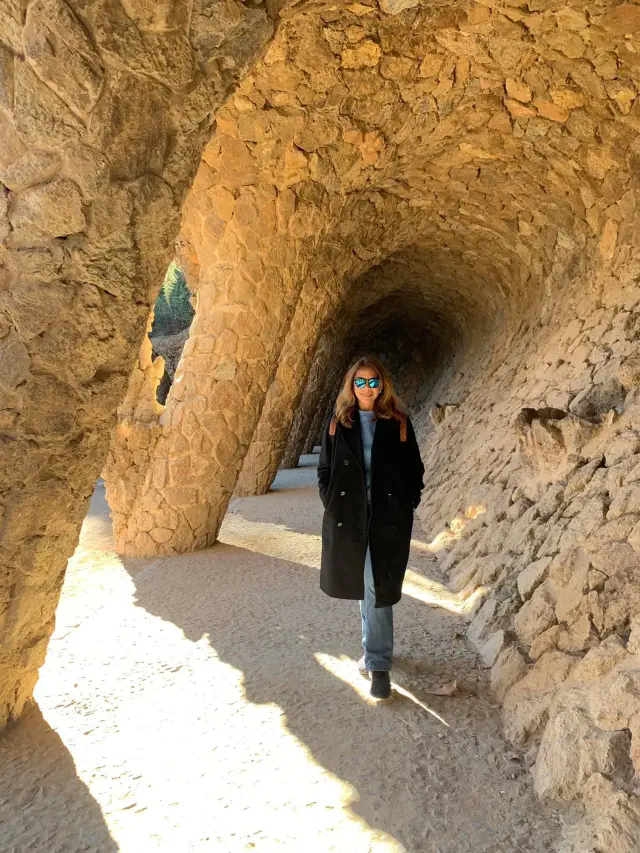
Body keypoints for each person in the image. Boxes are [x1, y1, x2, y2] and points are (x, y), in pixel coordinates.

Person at [317, 355, 425, 700]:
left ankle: (378, 663)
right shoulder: (338, 421)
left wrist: (408, 503)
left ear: (383, 384)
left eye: (373, 381)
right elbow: (324, 470)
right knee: (367, 583)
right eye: (360, 382)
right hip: (349, 516)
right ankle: (374, 654)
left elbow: (414, 470)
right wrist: (332, 502)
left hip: (387, 517)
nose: (367, 388)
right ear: (351, 386)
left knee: (376, 585)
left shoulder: (398, 422)